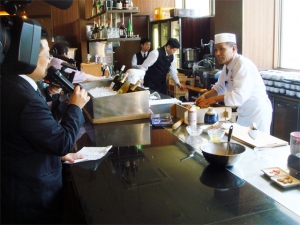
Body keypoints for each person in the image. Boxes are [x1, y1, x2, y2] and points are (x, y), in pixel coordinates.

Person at [1, 27, 90, 224]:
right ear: (27, 56)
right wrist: (75, 107)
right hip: (32, 196)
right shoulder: (25, 98)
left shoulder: (11, 84)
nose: (50, 60)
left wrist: (50, 95)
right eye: (46, 54)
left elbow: (33, 128)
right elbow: (63, 142)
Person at [195, 33, 272, 134]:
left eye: (221, 49)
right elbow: (220, 87)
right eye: (215, 49)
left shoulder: (243, 65)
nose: (217, 53)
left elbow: (238, 95)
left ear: (234, 49)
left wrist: (213, 99)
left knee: (257, 145)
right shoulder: (226, 66)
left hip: (257, 113)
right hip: (244, 112)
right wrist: (205, 96)